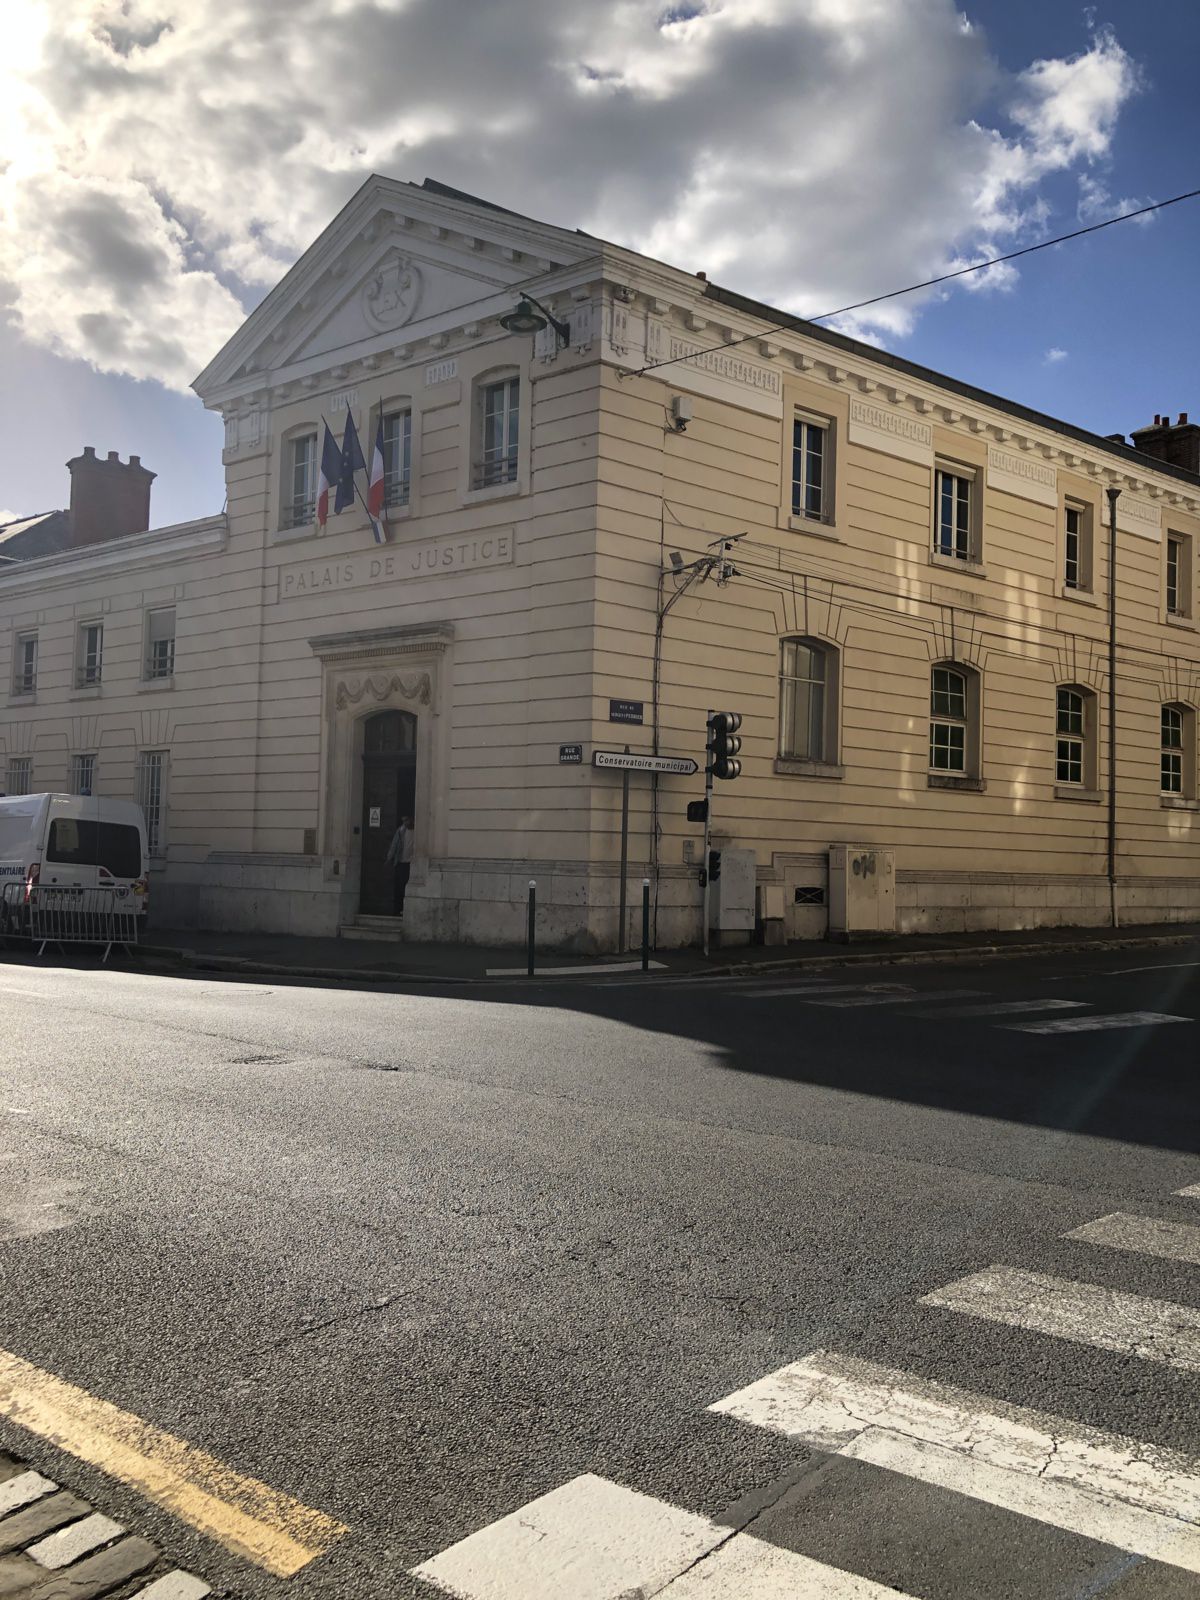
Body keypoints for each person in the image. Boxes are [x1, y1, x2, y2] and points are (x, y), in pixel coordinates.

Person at [385, 814, 413, 917]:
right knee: (401, 886)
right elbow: (394, 844)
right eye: (404, 821)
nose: (405, 823)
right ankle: (400, 909)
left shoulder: (417, 831)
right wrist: (389, 858)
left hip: (412, 863)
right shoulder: (401, 831)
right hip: (401, 862)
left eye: (406, 820)